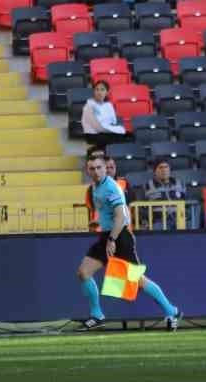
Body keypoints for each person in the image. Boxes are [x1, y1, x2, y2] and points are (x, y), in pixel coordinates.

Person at [77, 153, 182, 331]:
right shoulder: (95, 186)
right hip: (107, 235)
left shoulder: (111, 188)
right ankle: (97, 315)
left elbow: (121, 216)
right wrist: (100, 223)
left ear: (105, 168)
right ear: (88, 170)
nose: (95, 171)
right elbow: (109, 214)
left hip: (120, 238)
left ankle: (172, 310)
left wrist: (112, 239)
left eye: (99, 168)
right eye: (92, 169)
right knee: (83, 272)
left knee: (137, 281)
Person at [137, 159, 188, 231]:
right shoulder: (146, 186)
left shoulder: (180, 184)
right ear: (155, 171)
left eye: (166, 167)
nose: (164, 170)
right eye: (160, 167)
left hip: (179, 220)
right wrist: (145, 221)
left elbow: (187, 203)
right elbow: (141, 208)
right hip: (158, 222)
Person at [81, 79, 130, 150]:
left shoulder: (108, 105)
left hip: (106, 131)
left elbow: (113, 122)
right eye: (97, 89)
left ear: (107, 92)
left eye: (102, 90)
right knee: (115, 137)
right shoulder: (89, 106)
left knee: (128, 136)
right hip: (93, 134)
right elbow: (97, 127)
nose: (99, 92)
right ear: (94, 92)